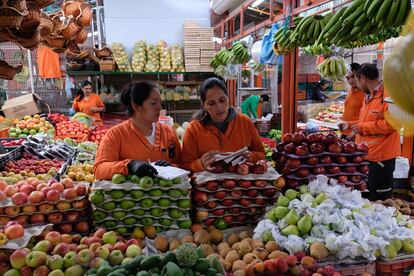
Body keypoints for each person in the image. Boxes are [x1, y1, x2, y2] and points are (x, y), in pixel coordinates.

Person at [94, 81, 181, 180]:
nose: (160, 108)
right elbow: (99, 170)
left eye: (160, 102)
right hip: (130, 195)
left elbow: (181, 164)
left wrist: (172, 167)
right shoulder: (116, 134)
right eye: (153, 103)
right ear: (136, 106)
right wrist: (129, 166)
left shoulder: (169, 132)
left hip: (168, 194)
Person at [340, 63, 401, 201]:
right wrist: (349, 125)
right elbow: (365, 122)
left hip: (381, 159)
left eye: (355, 80)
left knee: (380, 201)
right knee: (367, 200)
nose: (355, 85)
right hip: (367, 157)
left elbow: (393, 124)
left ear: (362, 78)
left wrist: (361, 128)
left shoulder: (389, 96)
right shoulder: (368, 96)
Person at [181, 77, 265, 172]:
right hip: (207, 184)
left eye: (222, 100)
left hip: (241, 182)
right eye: (211, 103)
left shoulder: (245, 122)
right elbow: (185, 164)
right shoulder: (194, 129)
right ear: (204, 105)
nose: (219, 107)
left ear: (228, 98)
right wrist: (200, 164)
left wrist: (251, 156)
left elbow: (261, 153)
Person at [340, 63, 365, 140]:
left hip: (355, 133)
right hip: (345, 132)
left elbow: (367, 118)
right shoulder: (350, 91)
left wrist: (355, 131)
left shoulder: (365, 93)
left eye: (353, 77)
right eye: (348, 78)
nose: (351, 81)